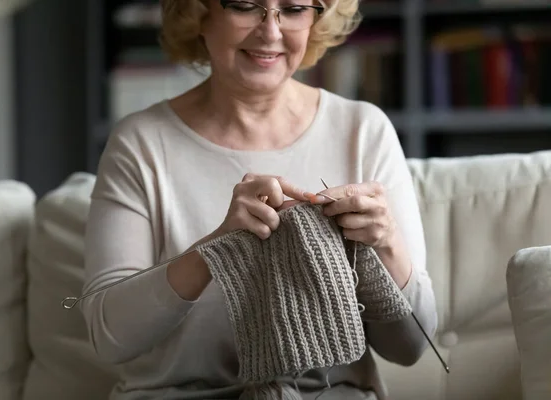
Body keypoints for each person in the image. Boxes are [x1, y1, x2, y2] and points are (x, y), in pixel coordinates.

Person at [81, 0, 438, 399]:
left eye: (294, 8)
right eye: (245, 5)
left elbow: (409, 349)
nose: (271, 31)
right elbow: (109, 336)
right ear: (199, 13)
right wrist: (215, 250)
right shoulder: (141, 143)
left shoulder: (363, 131)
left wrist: (386, 243)